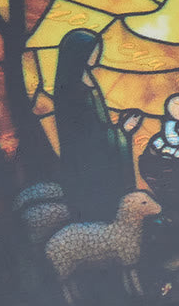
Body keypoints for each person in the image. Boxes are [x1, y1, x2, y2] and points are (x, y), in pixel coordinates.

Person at [53, 29, 142, 221]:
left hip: (97, 164)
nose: (96, 55)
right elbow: (90, 138)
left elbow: (99, 130)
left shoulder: (86, 85)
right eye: (92, 51)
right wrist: (120, 133)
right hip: (89, 171)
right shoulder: (72, 95)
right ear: (79, 56)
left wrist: (121, 130)